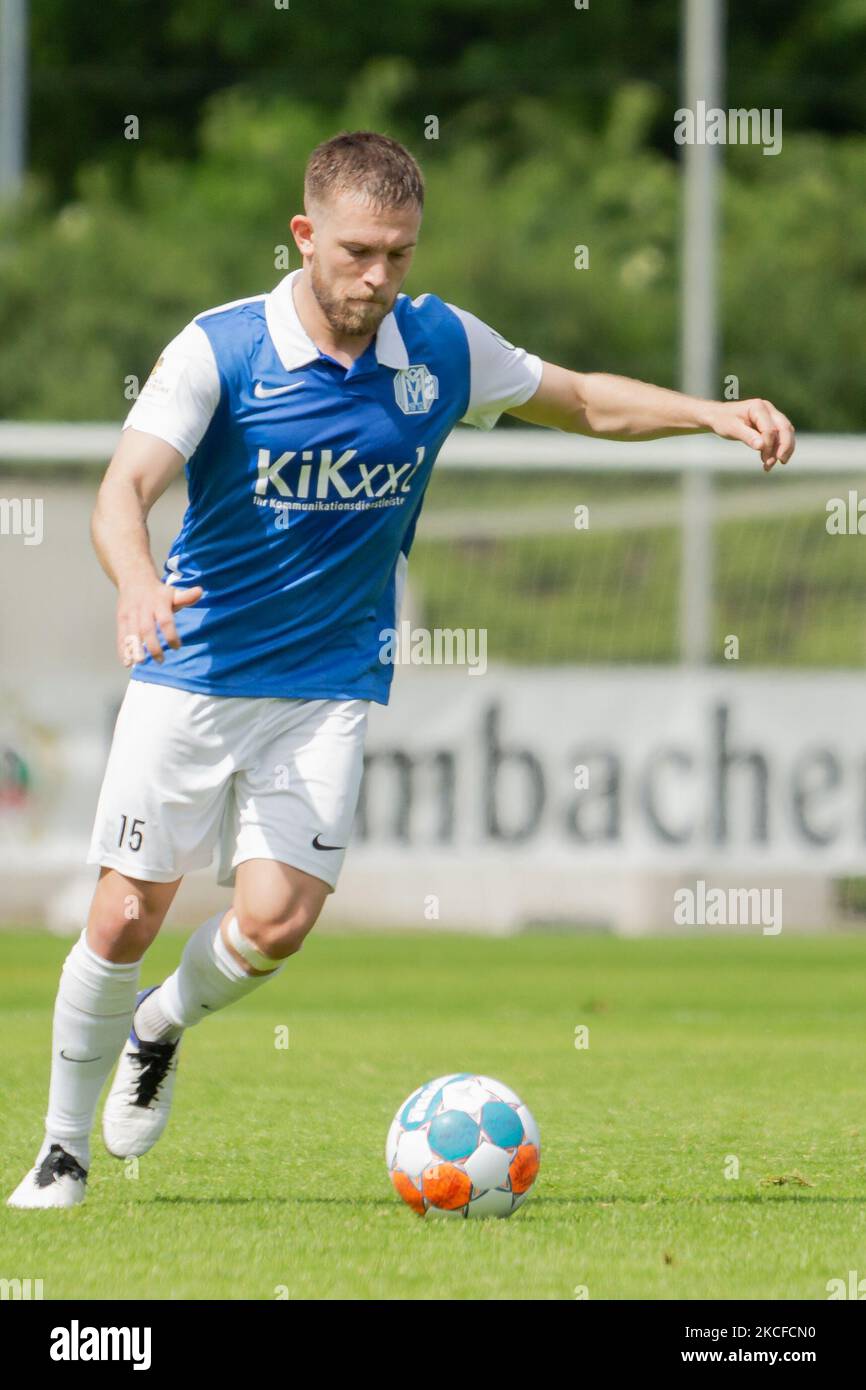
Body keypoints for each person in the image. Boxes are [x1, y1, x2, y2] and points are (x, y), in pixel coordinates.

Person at [8, 129, 795, 1208]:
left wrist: (708, 412)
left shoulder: (440, 350)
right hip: (192, 672)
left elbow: (580, 400)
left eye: (398, 255)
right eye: (356, 252)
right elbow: (121, 490)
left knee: (275, 923)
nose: (377, 277)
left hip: (329, 684)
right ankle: (60, 1148)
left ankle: (159, 1023)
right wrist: (137, 583)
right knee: (125, 915)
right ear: (303, 237)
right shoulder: (220, 349)